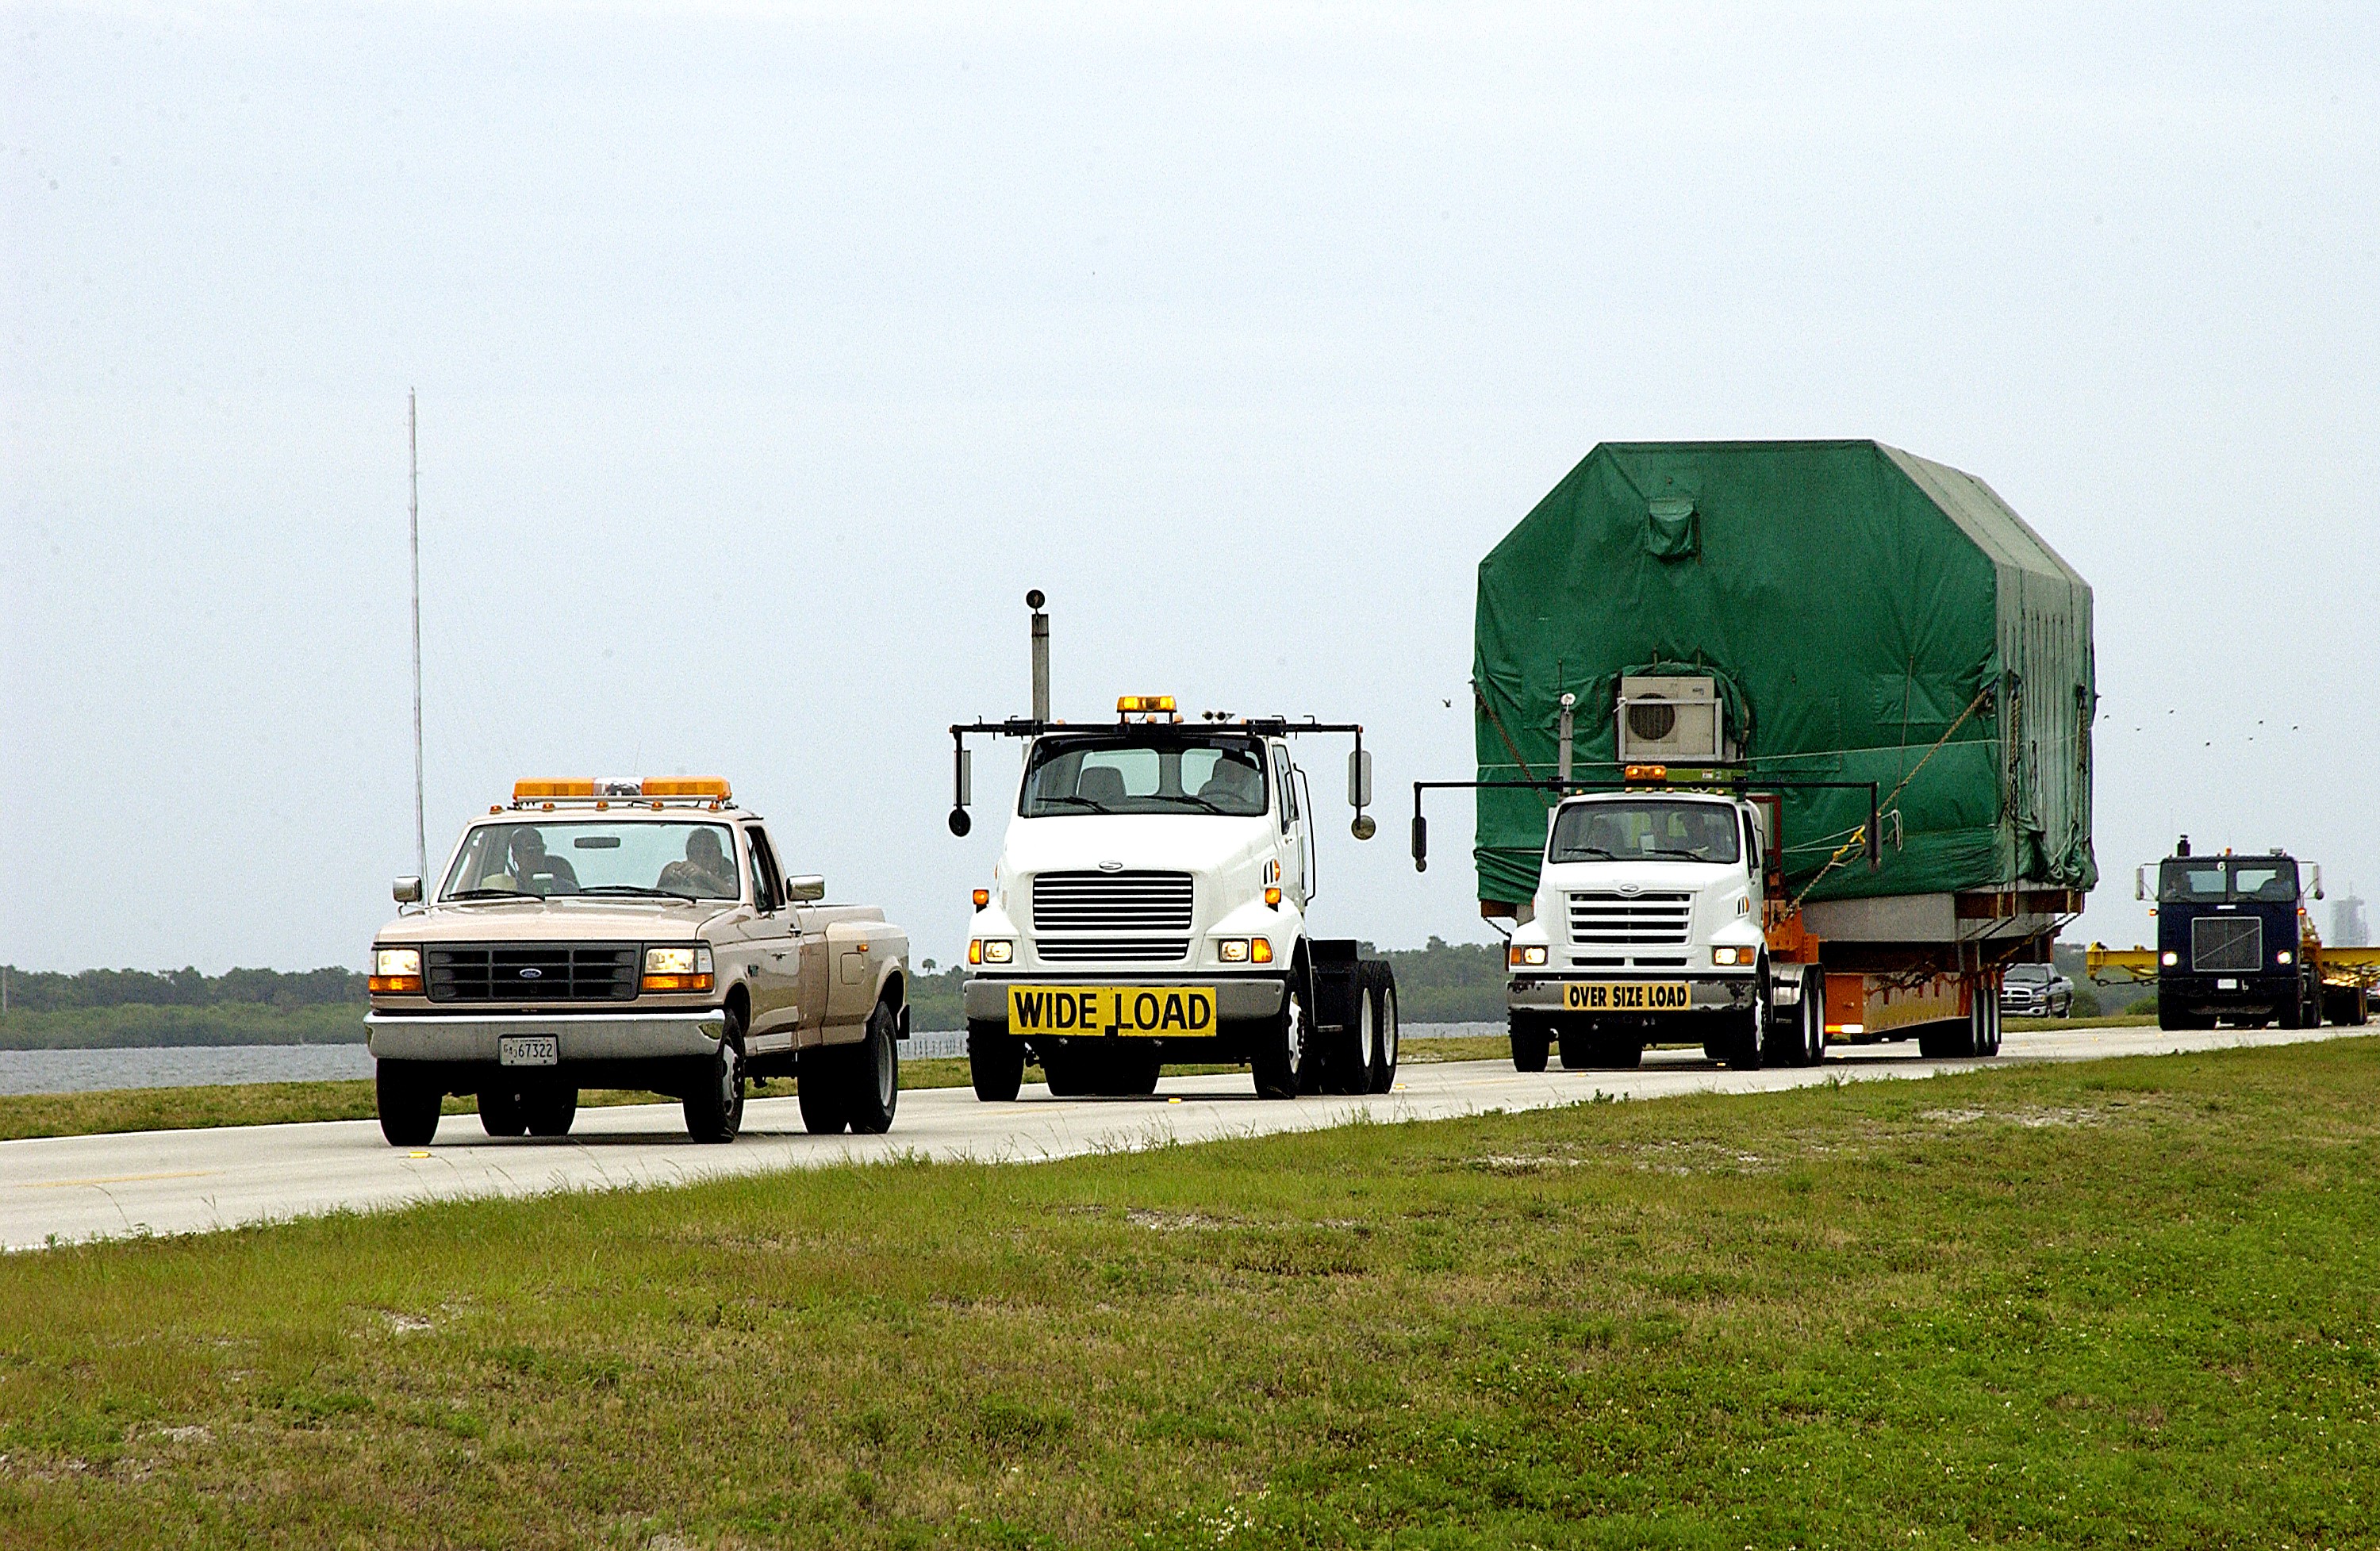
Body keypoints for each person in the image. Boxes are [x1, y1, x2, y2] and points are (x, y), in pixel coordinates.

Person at [658, 828, 736, 898]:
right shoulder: (683, 873)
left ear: (719, 854)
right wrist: (666, 875)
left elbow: (733, 895)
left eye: (707, 852)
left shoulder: (730, 872)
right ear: (688, 854)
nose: (701, 857)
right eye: (696, 852)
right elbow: (657, 900)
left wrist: (705, 875)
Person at [509, 829, 579, 896]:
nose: (536, 855)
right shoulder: (507, 891)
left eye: (540, 849)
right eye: (530, 851)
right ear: (515, 855)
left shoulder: (566, 889)